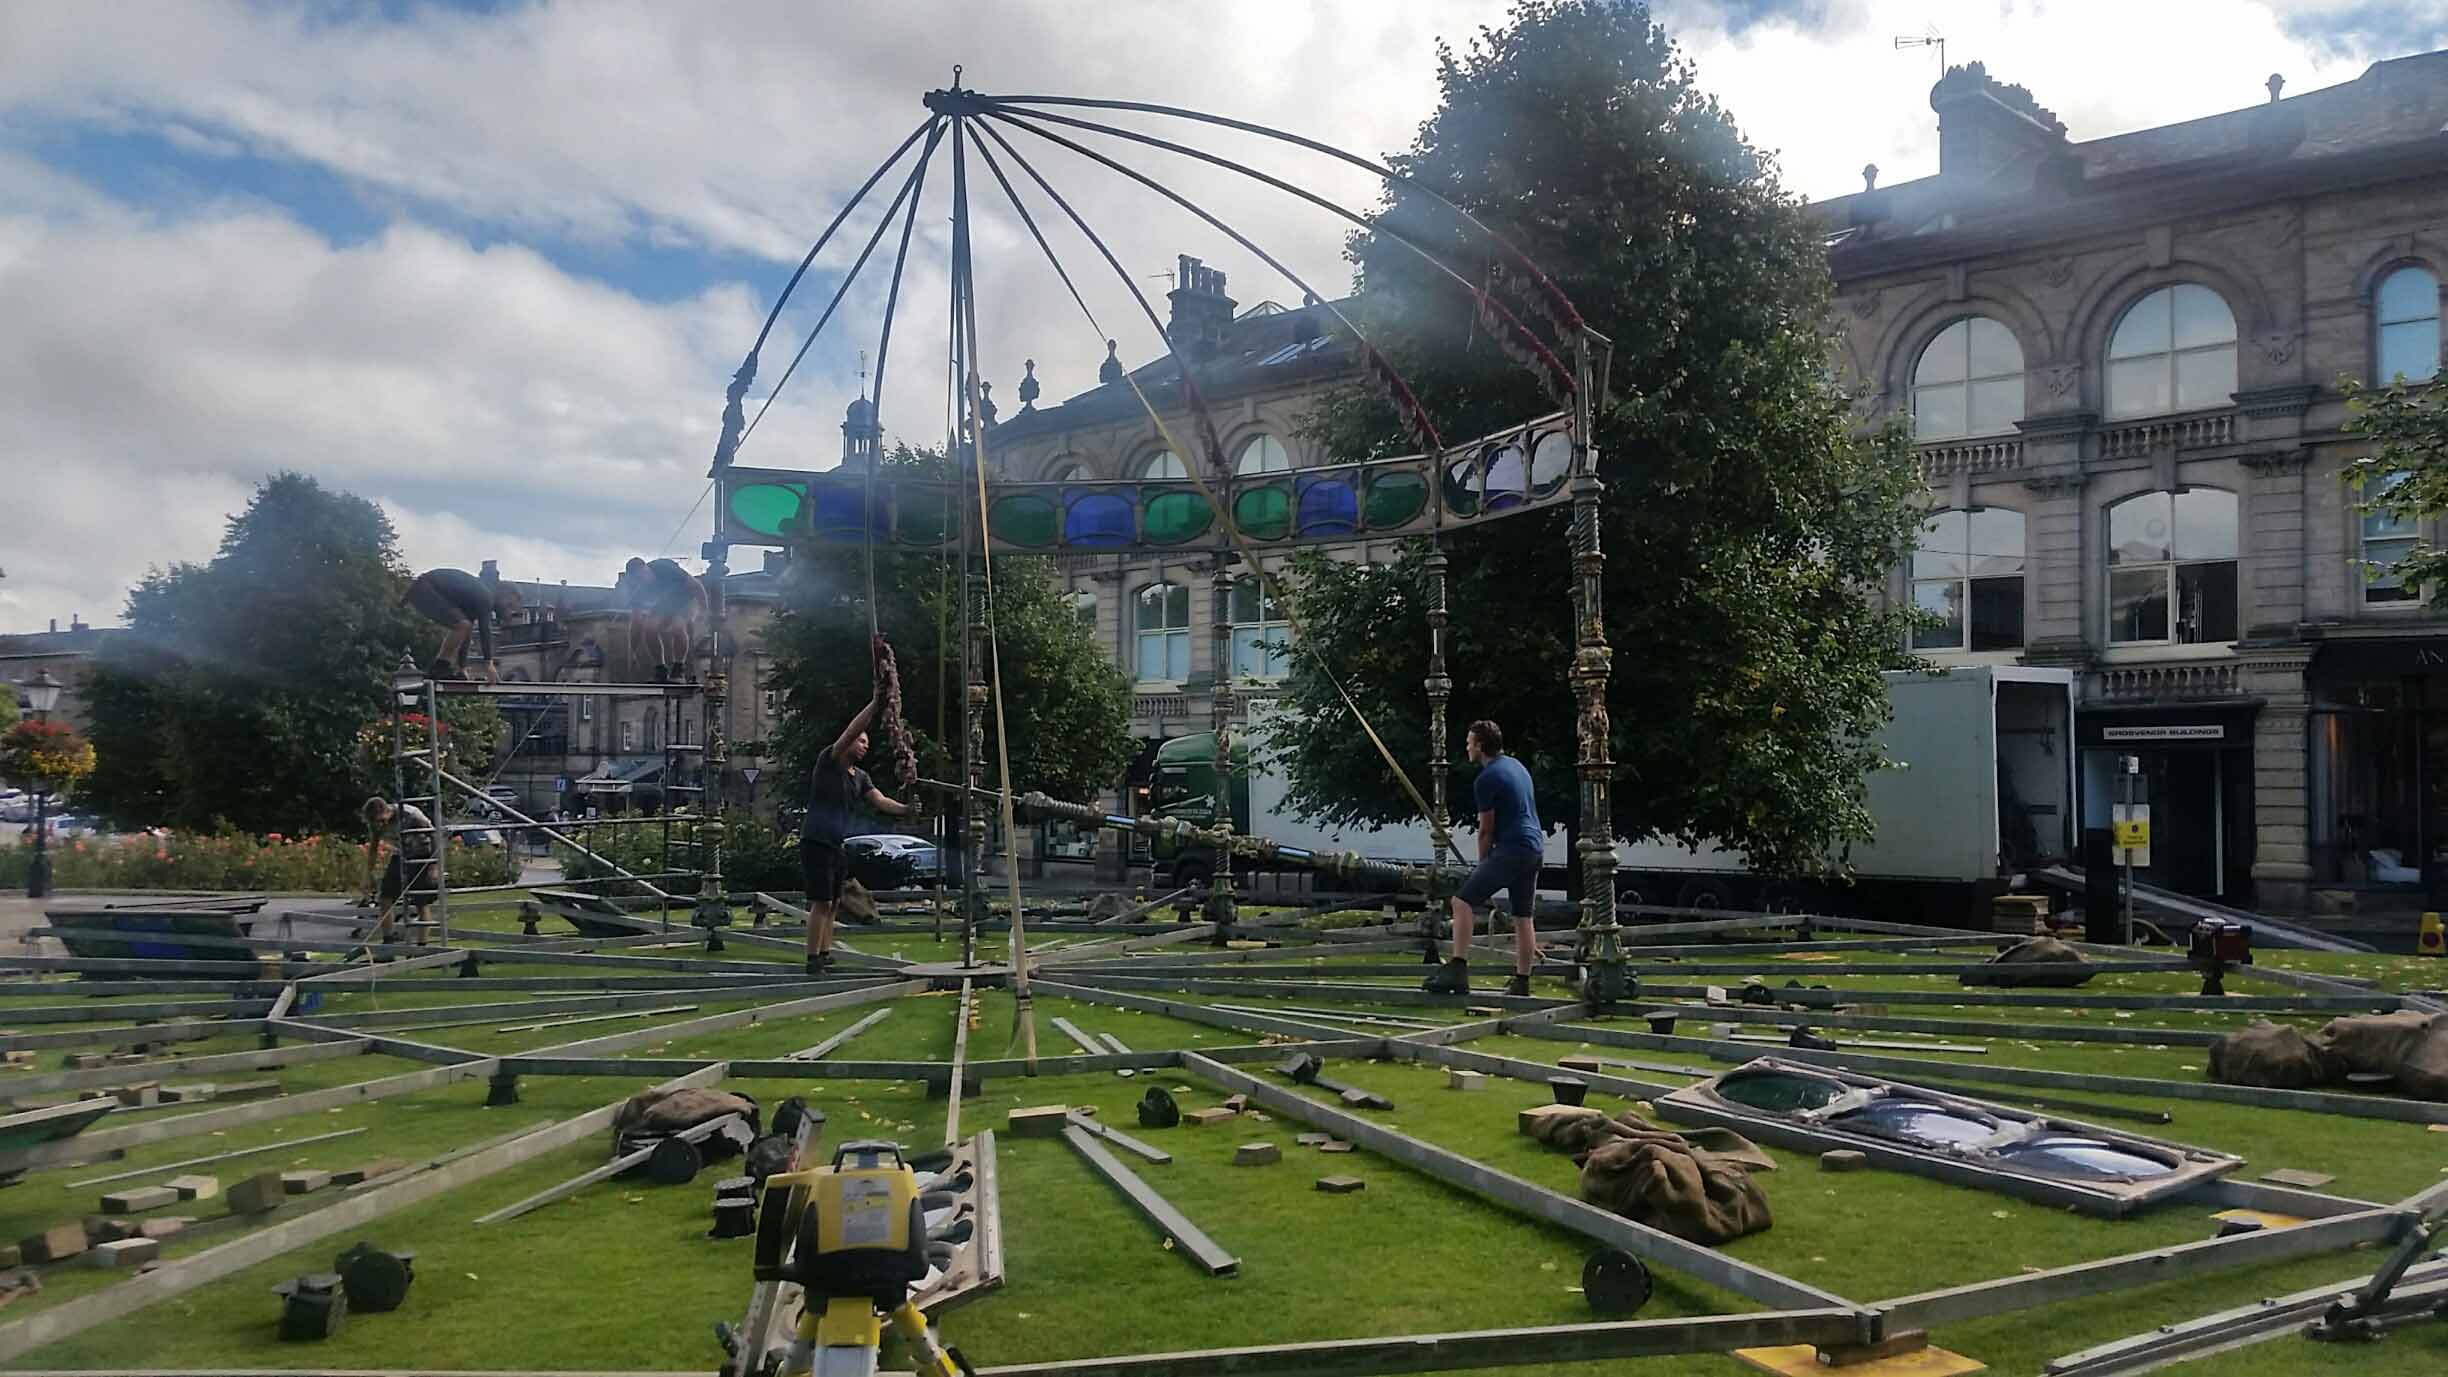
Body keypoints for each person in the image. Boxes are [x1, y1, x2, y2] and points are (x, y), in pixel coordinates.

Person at [802, 670, 920, 975]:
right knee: (821, 900)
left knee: (834, 902)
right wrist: (875, 703)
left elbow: (880, 801)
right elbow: (853, 729)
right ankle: (812, 958)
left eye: (867, 742)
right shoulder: (829, 761)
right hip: (816, 841)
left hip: (836, 843)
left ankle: (825, 952)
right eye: (861, 740)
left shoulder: (861, 777)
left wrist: (907, 808)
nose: (865, 744)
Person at [1425, 719, 1543, 997]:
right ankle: (1521, 982)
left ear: (1480, 746)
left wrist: (1482, 865)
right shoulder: (1517, 766)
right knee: (1523, 917)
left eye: (1469, 743)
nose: (1466, 747)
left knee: (1461, 902)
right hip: (1533, 848)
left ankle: (1457, 969)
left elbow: (1486, 830)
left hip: (1512, 847)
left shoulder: (1487, 778)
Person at [405, 567, 521, 682]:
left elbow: (467, 633)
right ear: (503, 593)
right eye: (509, 605)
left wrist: (462, 667)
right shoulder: (487, 597)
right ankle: (439, 668)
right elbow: (485, 630)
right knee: (462, 625)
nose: (508, 611)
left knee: (464, 626)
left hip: (424, 588)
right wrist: (489, 664)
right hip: (425, 589)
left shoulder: (477, 597)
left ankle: (447, 667)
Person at [617, 557, 707, 683]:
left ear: (646, 567)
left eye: (644, 574)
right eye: (639, 578)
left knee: (677, 627)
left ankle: (678, 668)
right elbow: (636, 621)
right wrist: (632, 650)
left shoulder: (664, 567)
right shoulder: (637, 588)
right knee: (649, 628)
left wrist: (704, 609)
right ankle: (660, 669)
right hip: (665, 604)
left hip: (688, 599)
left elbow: (696, 585)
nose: (644, 579)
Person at [362, 795, 438, 944]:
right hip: (401, 856)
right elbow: (373, 848)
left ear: (388, 810)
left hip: (423, 855)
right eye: (377, 822)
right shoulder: (375, 824)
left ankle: (422, 947)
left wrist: (434, 866)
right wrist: (368, 874)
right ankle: (388, 942)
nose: (381, 825)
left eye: (382, 820)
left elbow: (434, 836)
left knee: (421, 902)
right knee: (385, 897)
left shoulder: (411, 815)